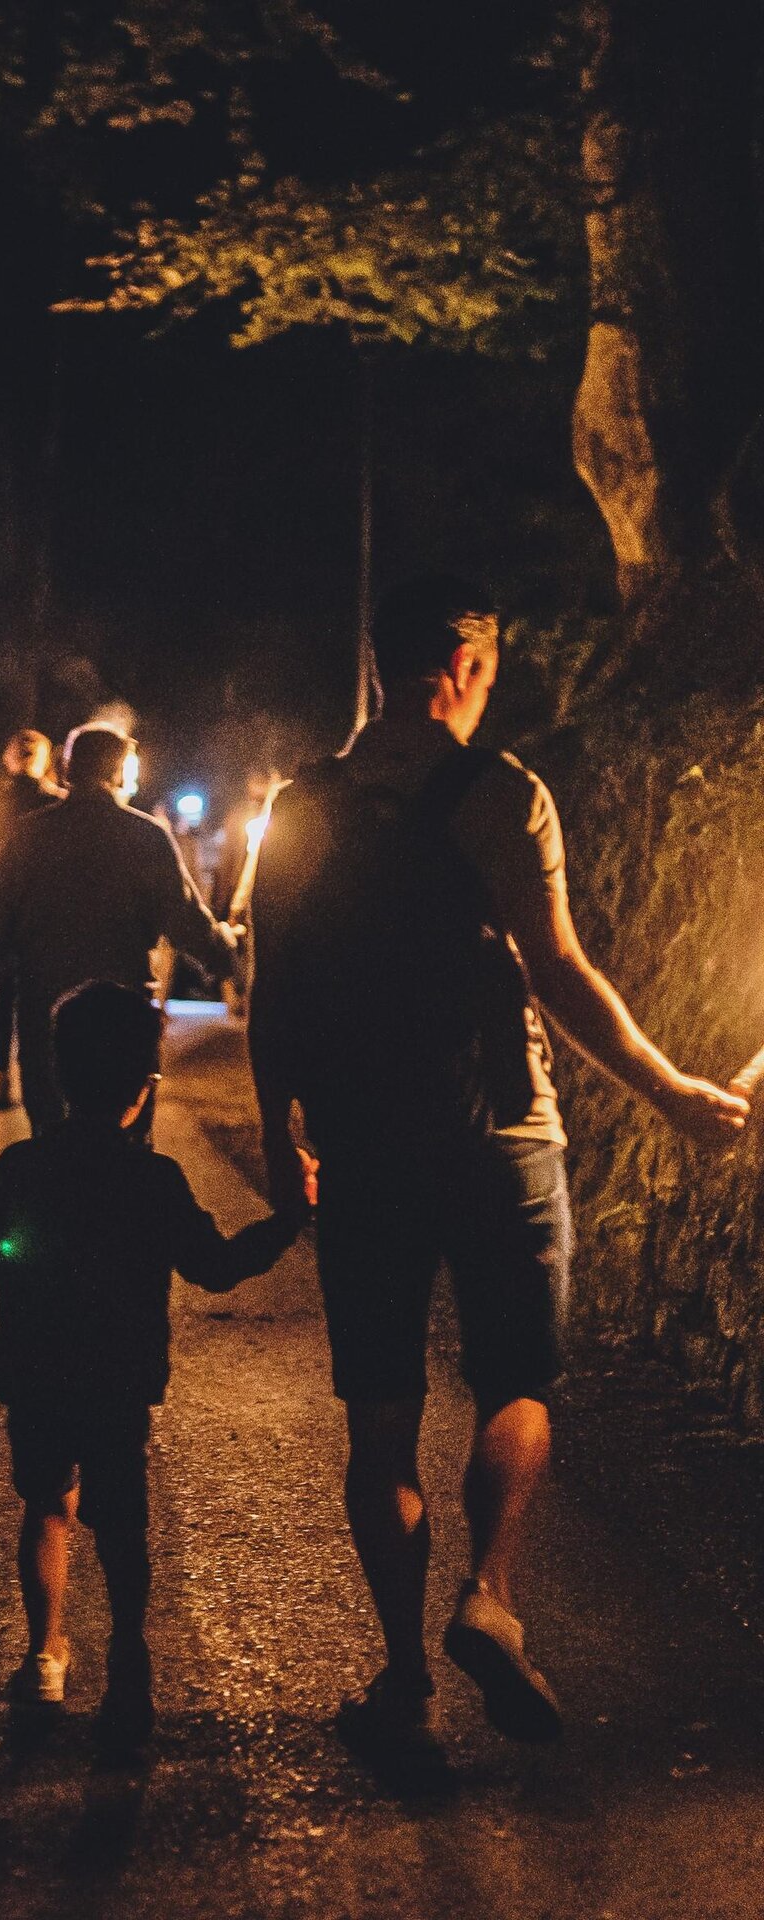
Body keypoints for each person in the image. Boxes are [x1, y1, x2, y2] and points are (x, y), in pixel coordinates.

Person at [248, 575, 749, 1762]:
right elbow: (560, 972)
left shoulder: (299, 807)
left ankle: (406, 1677)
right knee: (516, 1384)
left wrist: (283, 1136)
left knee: (380, 1420)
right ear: (468, 671)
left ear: (380, 670)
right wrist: (672, 1091)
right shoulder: (503, 795)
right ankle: (490, 1590)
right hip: (506, 1137)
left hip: (366, 1144)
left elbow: (272, 990)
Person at [0, 982, 296, 1765]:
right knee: (121, 1522)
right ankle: (127, 1658)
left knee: (47, 1501)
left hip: (37, 1373)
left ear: (56, 1073)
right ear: (145, 1089)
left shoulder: (20, 1167)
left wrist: (29, 1259)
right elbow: (215, 1268)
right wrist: (288, 1222)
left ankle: (46, 1656)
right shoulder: (155, 1183)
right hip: (119, 1378)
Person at [0, 724, 237, 1136]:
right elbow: (186, 920)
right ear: (120, 772)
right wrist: (225, 951)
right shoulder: (146, 836)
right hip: (122, 1021)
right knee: (125, 1150)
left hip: (45, 1018)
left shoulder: (28, 834)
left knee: (51, 1143)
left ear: (67, 771)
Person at [0, 730, 63, 1110]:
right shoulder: (55, 802)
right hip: (38, 913)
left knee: (10, 995)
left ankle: (10, 1076)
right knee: (33, 994)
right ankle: (31, 1076)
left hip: (16, 912)